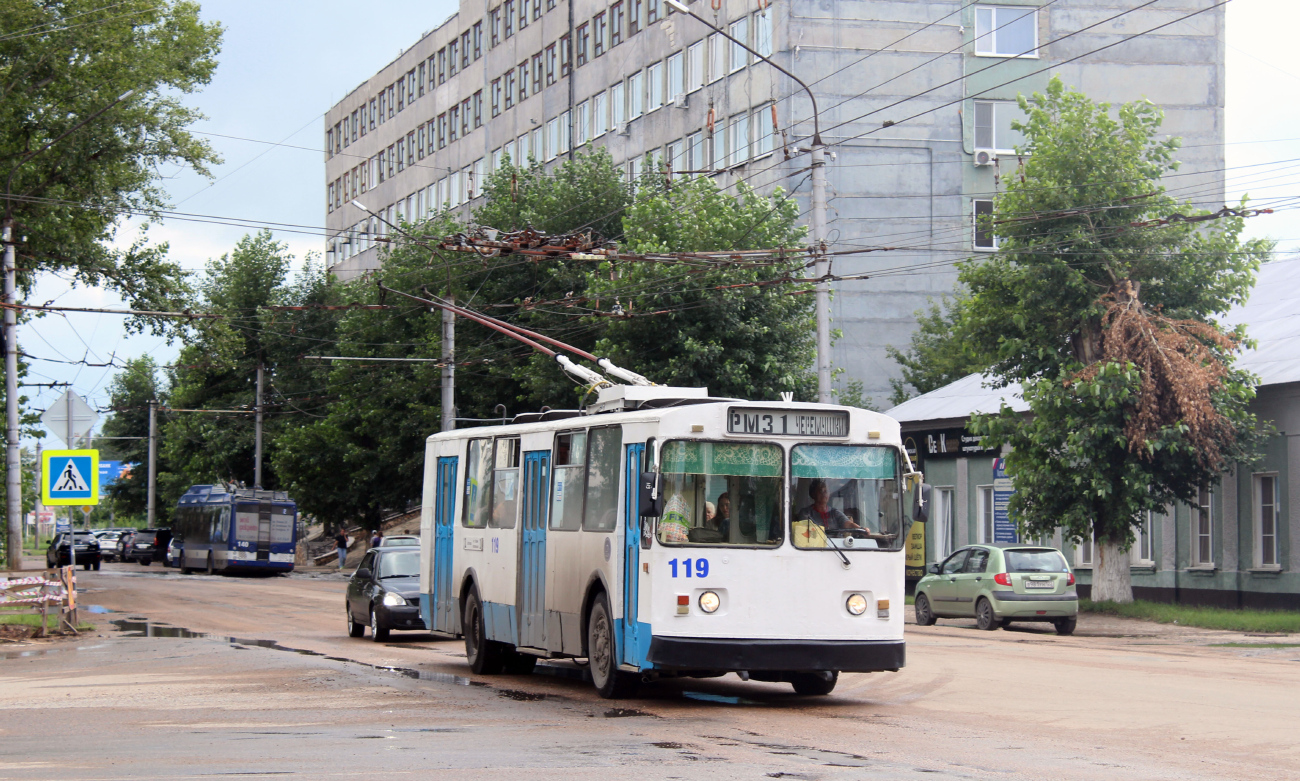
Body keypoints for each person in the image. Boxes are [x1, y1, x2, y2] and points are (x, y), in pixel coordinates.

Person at [795, 479, 863, 534]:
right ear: (813, 494)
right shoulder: (806, 513)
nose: (824, 493)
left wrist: (860, 529)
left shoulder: (835, 513)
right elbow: (805, 531)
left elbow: (848, 524)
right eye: (821, 491)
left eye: (826, 491)